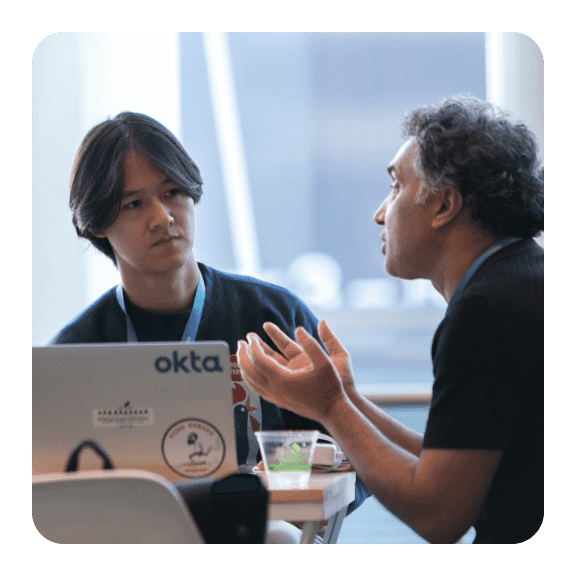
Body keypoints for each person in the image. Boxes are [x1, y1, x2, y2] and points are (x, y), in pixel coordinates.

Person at [50, 111, 370, 543]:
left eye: (173, 192)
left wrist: (295, 509)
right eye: (134, 203)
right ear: (97, 222)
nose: (162, 217)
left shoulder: (274, 318)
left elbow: (362, 460)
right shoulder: (76, 354)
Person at [237, 95, 544, 544]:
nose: (380, 213)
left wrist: (330, 408)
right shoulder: (522, 278)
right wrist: (348, 400)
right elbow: (451, 467)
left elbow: (439, 515)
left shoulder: (484, 315)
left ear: (444, 206)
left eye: (396, 187)